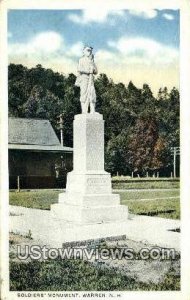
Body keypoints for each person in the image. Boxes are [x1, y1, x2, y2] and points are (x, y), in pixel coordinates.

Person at [75, 46, 98, 114]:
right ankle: (84, 111)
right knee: (84, 94)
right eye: (88, 50)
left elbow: (96, 71)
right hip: (84, 78)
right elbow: (79, 69)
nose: (89, 52)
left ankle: (92, 110)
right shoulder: (81, 60)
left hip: (91, 79)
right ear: (84, 51)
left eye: (90, 51)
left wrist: (93, 69)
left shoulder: (92, 61)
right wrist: (88, 71)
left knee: (92, 93)